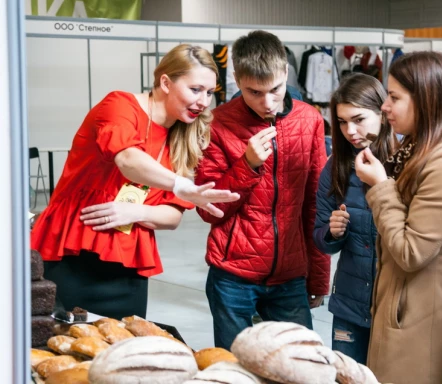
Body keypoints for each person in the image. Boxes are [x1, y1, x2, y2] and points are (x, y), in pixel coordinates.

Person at [31, 44, 240, 319]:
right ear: (165, 82)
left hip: (128, 261)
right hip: (72, 249)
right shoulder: (119, 106)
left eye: (210, 92)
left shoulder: (181, 137)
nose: (203, 101)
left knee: (123, 349)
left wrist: (137, 211)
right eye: (195, 89)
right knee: (60, 344)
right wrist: (182, 186)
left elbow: (172, 216)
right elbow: (128, 160)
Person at [354, 51, 442, 384]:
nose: (385, 107)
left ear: (426, 99)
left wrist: (381, 185)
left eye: (394, 98)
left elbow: (411, 252)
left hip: (428, 324)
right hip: (407, 312)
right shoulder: (418, 148)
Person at [194, 30, 329, 350]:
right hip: (232, 277)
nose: (267, 103)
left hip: (290, 277)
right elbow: (207, 210)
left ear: (285, 74)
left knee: (301, 367)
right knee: (234, 370)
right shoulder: (216, 123)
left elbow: (316, 203)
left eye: (275, 90)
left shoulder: (309, 120)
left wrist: (319, 276)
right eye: (254, 92)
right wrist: (247, 165)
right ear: (237, 80)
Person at [313, 73, 397, 364]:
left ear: (383, 114)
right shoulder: (335, 166)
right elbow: (321, 237)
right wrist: (332, 232)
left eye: (359, 119)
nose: (350, 130)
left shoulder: (406, 164)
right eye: (342, 121)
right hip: (349, 306)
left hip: (395, 309)